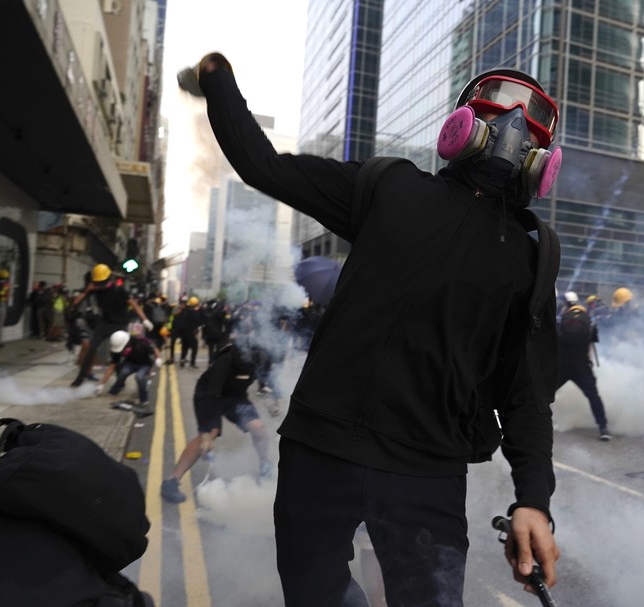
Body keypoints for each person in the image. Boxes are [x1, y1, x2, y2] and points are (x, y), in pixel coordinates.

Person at [192, 53, 561, 604]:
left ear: (540, 159)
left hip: (426, 473)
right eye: (497, 113)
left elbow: (525, 394)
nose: (509, 131)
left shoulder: (530, 260)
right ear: (463, 125)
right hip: (320, 452)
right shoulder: (388, 186)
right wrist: (219, 83)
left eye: (526, 127)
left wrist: (533, 500)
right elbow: (263, 166)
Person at [160, 341, 273, 504]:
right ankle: (171, 481)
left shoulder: (263, 358)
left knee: (258, 428)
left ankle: (265, 465)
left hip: (235, 396)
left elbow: (268, 381)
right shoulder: (226, 360)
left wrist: (277, 399)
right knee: (206, 436)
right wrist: (208, 431)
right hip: (209, 394)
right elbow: (213, 396)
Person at [70, 264, 153, 387]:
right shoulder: (95, 289)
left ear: (108, 278)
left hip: (119, 325)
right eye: (97, 282)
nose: (99, 285)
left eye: (101, 282)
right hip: (105, 324)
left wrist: (145, 320)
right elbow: (75, 303)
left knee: (119, 354)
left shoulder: (119, 290)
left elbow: (134, 304)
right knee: (91, 349)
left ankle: (120, 380)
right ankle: (80, 378)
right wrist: (87, 290)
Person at [555, 292, 610, 440]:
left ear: (566, 304)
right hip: (582, 367)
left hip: (563, 366)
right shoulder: (589, 321)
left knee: (544, 395)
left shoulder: (561, 319)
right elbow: (590, 347)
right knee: (593, 396)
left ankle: (532, 425)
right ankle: (603, 428)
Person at [95, 330, 161, 417]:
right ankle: (115, 389)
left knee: (140, 377)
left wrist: (158, 359)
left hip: (144, 364)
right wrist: (102, 384)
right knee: (123, 372)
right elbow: (111, 368)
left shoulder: (140, 343)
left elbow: (153, 350)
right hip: (130, 363)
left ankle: (144, 399)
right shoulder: (117, 351)